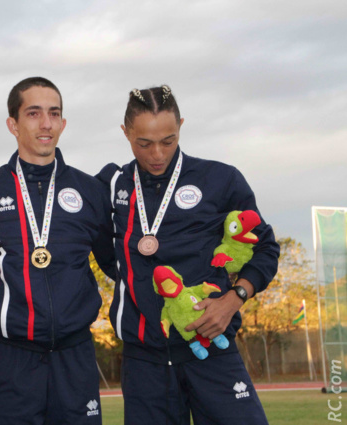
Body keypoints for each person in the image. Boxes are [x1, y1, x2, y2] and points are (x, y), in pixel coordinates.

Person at [97, 85, 280, 425]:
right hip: (144, 362)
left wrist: (233, 299)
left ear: (181, 125)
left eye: (168, 140)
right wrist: (134, 278)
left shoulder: (220, 179)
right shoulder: (111, 185)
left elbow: (266, 249)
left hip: (212, 346)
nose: (157, 154)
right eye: (144, 143)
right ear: (125, 133)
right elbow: (99, 248)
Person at [0, 77, 115, 424]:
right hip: (13, 359)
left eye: (54, 113)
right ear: (12, 124)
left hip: (75, 358)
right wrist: (5, 290)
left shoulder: (90, 190)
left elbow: (117, 264)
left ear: (63, 123)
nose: (45, 124)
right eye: (33, 113)